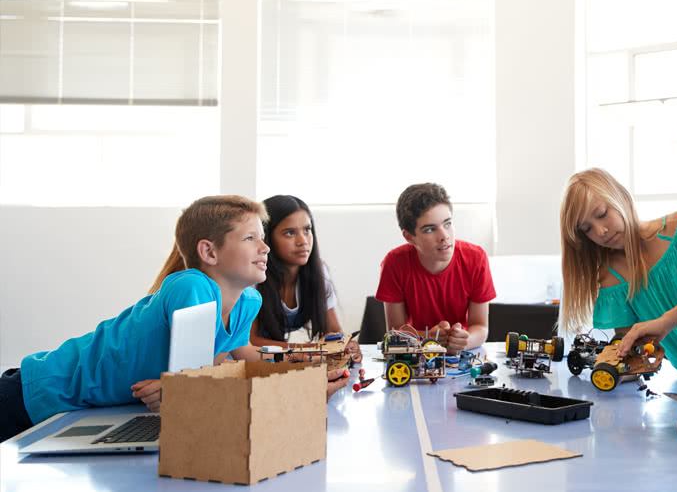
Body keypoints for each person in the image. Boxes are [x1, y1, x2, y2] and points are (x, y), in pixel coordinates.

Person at [0, 196, 349, 443]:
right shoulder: (192, 285)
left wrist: (315, 366)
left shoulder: (247, 301)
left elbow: (241, 362)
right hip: (39, 389)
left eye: (262, 237)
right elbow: (192, 384)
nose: (265, 248)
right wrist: (186, 386)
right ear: (209, 252)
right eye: (250, 238)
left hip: (81, 411)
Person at [560, 168, 677, 391]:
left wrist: (665, 321)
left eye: (602, 213)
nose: (601, 231)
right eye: (587, 228)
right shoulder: (611, 279)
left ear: (621, 196)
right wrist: (616, 367)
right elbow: (633, 352)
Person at [375, 183, 496, 355]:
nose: (444, 236)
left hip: (461, 353)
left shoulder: (476, 258)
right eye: (430, 229)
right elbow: (395, 335)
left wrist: (462, 342)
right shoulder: (394, 263)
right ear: (409, 237)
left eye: (447, 224)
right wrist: (428, 339)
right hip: (417, 357)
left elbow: (481, 327)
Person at [250, 195, 354, 357]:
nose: (303, 241)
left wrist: (345, 345)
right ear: (267, 237)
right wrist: (308, 349)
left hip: (278, 359)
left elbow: (333, 331)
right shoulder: (252, 276)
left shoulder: (318, 271)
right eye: (290, 233)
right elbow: (251, 341)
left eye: (307, 230)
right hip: (240, 361)